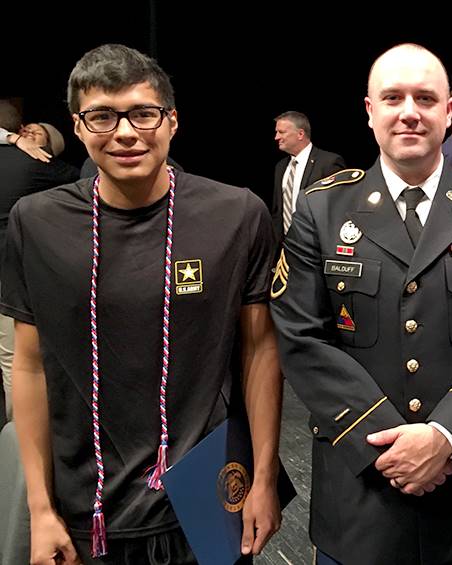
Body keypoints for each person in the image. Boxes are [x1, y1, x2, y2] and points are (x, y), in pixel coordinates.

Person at [1, 43, 283, 564]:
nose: (126, 132)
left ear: (172, 121)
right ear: (79, 126)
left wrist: (264, 477)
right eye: (103, 116)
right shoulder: (35, 223)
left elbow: (260, 351)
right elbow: (32, 366)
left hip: (205, 495)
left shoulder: (237, 214)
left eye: (143, 113)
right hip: (86, 507)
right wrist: (39, 510)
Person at [269, 43, 452, 565]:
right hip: (362, 495)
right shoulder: (321, 210)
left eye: (425, 97)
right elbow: (301, 337)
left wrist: (445, 435)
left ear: (448, 111)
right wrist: (396, 451)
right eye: (392, 97)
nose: (409, 111)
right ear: (370, 112)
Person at [0, 121, 79, 421]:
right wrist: (9, 137)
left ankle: (17, 438)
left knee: (16, 360)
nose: (29, 133)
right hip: (10, 274)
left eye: (39, 132)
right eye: (26, 128)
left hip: (12, 273)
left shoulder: (50, 169)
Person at [272, 111, 345, 241]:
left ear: (300, 134)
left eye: (281, 132)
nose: (276, 137)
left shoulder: (328, 163)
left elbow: (338, 208)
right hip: (284, 247)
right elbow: (278, 211)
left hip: (316, 246)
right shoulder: (280, 167)